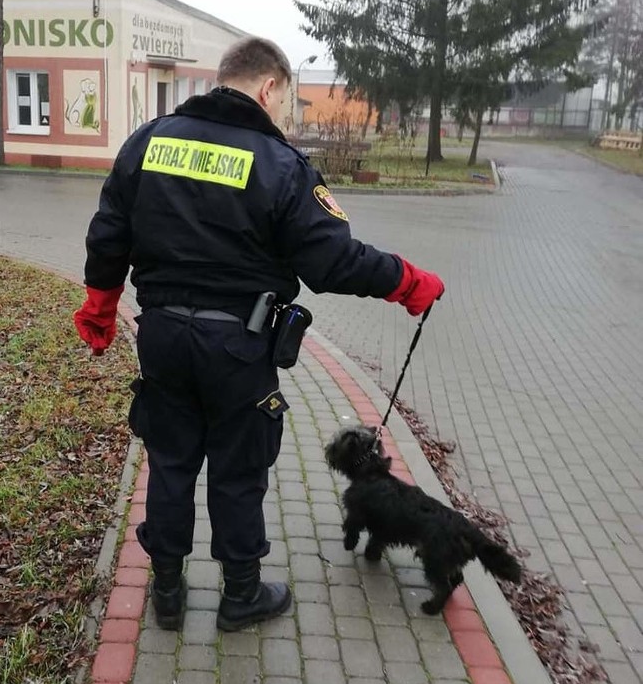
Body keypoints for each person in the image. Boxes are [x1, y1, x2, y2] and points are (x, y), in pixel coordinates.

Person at [74, 37, 444, 633]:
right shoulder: (280, 165)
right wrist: (408, 282)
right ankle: (240, 595)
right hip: (238, 348)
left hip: (162, 336)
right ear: (268, 87)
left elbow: (108, 233)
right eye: (285, 99)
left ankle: (167, 593)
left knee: (169, 463)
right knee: (238, 472)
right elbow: (333, 262)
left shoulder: (148, 142)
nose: (282, 111)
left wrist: (99, 307)